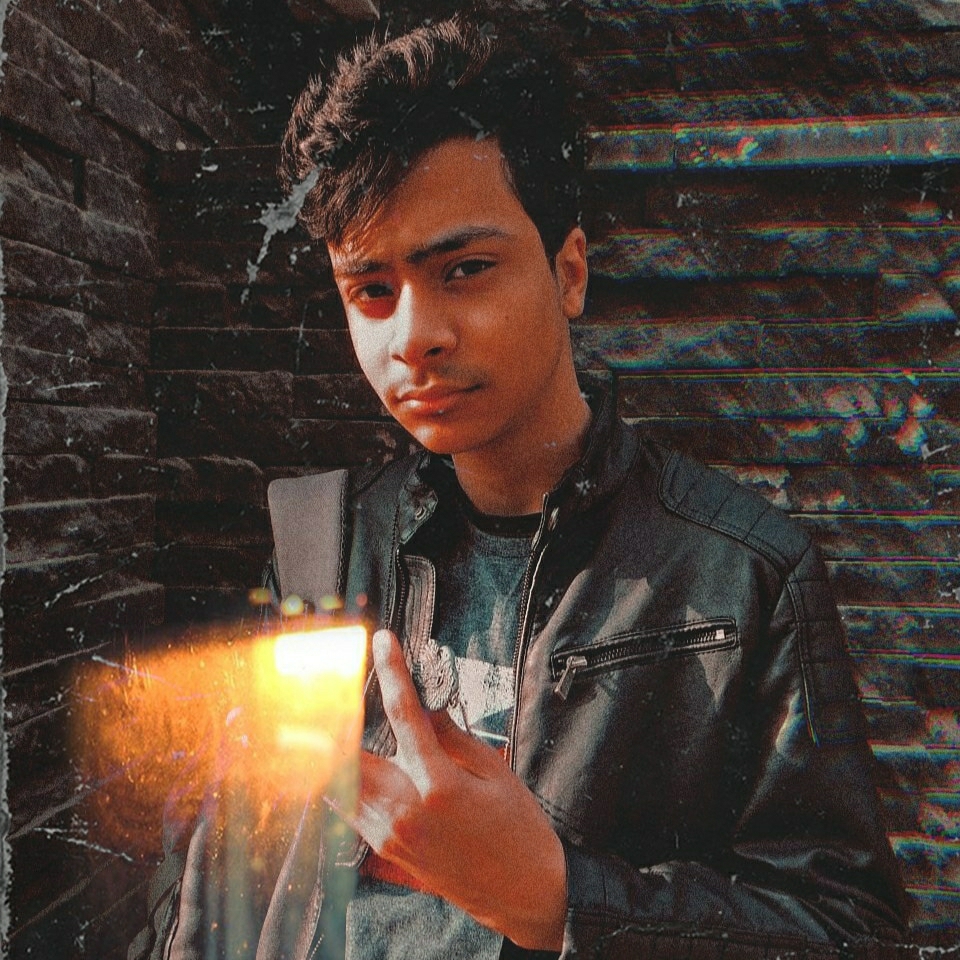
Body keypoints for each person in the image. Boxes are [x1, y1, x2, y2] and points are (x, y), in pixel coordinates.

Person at [136, 15, 908, 960]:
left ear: (568, 271)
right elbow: (235, 871)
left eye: (465, 270)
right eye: (371, 291)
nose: (414, 337)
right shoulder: (323, 543)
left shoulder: (741, 574)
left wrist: (562, 901)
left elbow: (849, 931)